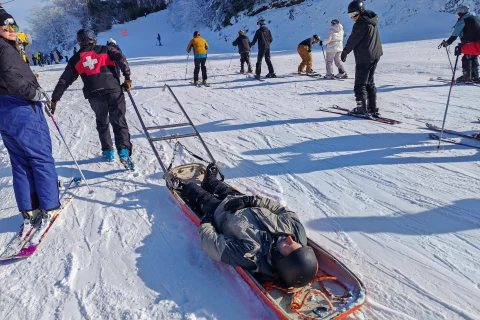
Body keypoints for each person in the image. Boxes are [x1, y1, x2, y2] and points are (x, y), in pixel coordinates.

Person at [170, 163, 318, 288]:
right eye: (297, 243)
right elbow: (280, 209)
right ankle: (210, 181)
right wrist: (252, 201)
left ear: (280, 259)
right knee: (223, 189)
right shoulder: (295, 232)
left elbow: (213, 245)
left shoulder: (250, 253)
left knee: (201, 197)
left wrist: (207, 222)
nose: (290, 238)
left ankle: (183, 186)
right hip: (242, 200)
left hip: (222, 212)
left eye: (287, 245)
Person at [0, 8, 60, 233]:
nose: (11, 29)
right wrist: (34, 92)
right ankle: (50, 205)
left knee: (20, 160)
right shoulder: (4, 49)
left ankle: (29, 208)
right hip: (21, 108)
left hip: (4, 111)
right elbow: (11, 79)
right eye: (5, 25)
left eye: (13, 25)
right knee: (40, 157)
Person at [51, 29, 134, 168]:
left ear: (79, 42)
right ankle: (123, 151)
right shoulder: (106, 49)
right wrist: (127, 77)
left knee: (102, 121)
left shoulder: (75, 59)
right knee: (118, 119)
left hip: (94, 93)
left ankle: (108, 151)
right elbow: (121, 58)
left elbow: (64, 80)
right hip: (113, 89)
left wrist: (55, 99)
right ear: (93, 38)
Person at [341, 1, 383, 115]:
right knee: (369, 82)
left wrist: (345, 52)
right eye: (350, 15)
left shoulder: (361, 24)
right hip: (375, 55)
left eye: (354, 14)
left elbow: (353, 40)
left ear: (361, 11)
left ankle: (361, 109)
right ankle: (372, 108)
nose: (352, 18)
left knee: (360, 85)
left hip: (364, 58)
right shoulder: (371, 20)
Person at [440, 5, 480, 82]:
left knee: (467, 57)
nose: (458, 16)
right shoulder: (476, 18)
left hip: (470, 43)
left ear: (461, 13)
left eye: (458, 14)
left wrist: (447, 43)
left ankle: (467, 76)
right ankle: (475, 76)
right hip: (478, 44)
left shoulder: (463, 20)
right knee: (474, 57)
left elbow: (455, 34)